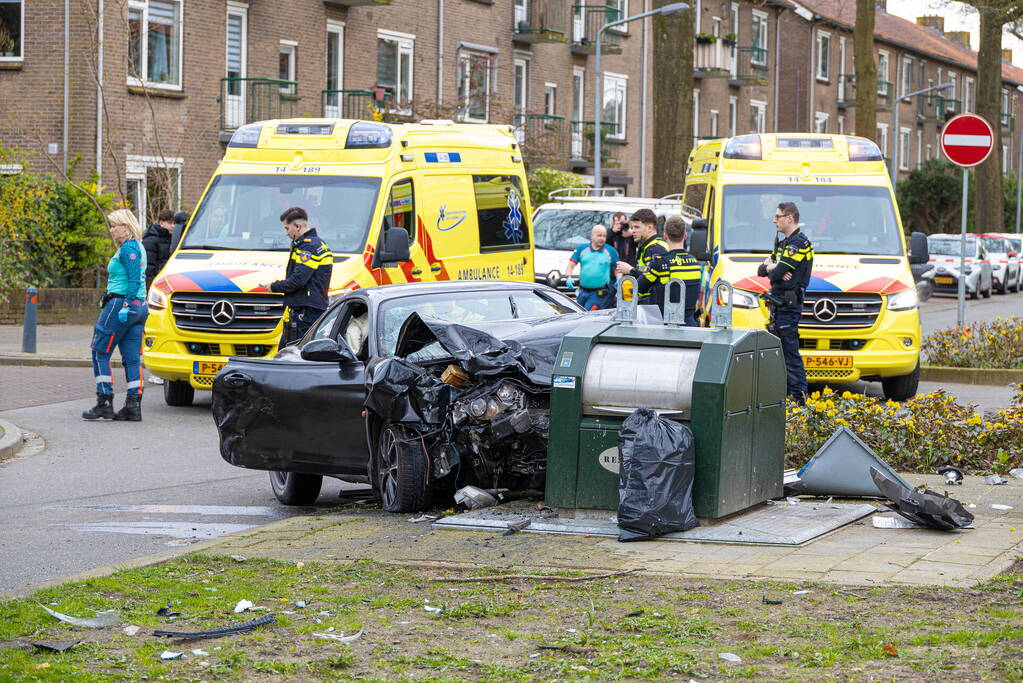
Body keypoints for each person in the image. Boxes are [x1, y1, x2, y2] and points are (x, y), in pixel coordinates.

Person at [82, 209, 150, 422]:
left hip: (121, 304)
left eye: (114, 225)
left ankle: (104, 402)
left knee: (99, 351)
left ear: (126, 226)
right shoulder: (139, 246)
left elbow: (133, 280)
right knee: (131, 359)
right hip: (140, 307)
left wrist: (126, 303)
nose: (111, 230)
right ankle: (133, 406)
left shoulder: (129, 248)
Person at [758, 201, 814, 404]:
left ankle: (799, 400)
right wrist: (773, 267)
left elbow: (778, 272)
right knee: (779, 354)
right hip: (778, 305)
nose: (774, 220)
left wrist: (774, 268)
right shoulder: (783, 244)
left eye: (777, 216)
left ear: (789, 218)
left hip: (789, 307)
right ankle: (786, 398)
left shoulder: (798, 243)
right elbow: (761, 271)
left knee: (790, 354)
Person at [264, 207, 333, 350]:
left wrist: (274, 287)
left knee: (291, 355)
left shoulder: (308, 247)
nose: (286, 233)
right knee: (288, 353)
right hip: (308, 309)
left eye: (287, 228)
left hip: (306, 312)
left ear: (297, 226)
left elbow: (298, 280)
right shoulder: (313, 244)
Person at [638, 216, 701, 325]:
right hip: (691, 326)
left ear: (665, 236)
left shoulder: (658, 263)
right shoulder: (695, 264)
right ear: (685, 235)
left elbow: (639, 288)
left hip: (665, 327)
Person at [615, 208, 668, 301]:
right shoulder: (649, 246)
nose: (633, 231)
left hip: (653, 305)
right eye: (632, 227)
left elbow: (654, 280)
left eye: (637, 227)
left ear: (650, 228)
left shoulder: (656, 248)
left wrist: (630, 270)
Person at [564, 224, 620, 310]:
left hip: (599, 294)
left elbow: (618, 268)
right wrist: (568, 277)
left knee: (589, 314)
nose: (602, 238)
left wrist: (619, 279)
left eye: (604, 236)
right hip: (582, 291)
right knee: (579, 313)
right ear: (592, 236)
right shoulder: (581, 249)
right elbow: (570, 265)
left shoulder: (610, 251)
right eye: (599, 235)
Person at [142, 209, 175, 289]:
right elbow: (148, 269)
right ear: (161, 223)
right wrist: (151, 288)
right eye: (170, 223)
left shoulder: (175, 239)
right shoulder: (150, 241)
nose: (173, 226)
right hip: (157, 284)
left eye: (175, 223)